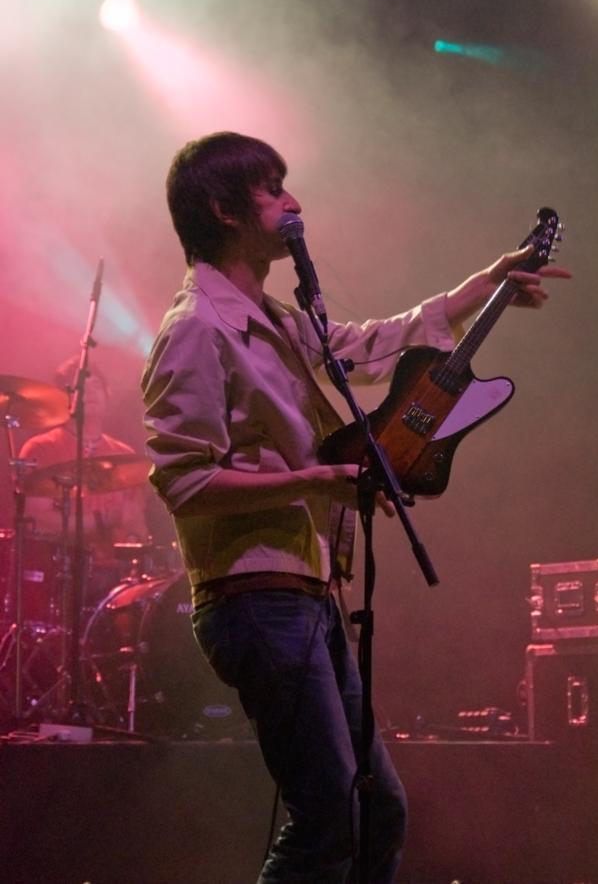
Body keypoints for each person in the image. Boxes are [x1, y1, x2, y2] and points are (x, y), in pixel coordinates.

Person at [141, 132, 570, 883]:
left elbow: (366, 347)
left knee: (375, 814)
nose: (293, 203)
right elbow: (183, 482)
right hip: (253, 596)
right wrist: (316, 481)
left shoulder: (273, 317)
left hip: (303, 593)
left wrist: (485, 286)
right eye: (273, 190)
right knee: (329, 819)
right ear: (222, 207)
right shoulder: (196, 329)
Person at [19, 357, 149, 601]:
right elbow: (36, 522)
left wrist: (135, 540)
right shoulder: (41, 448)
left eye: (96, 385)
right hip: (59, 578)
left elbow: (137, 525)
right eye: (81, 387)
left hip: (116, 582)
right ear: (63, 398)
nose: (91, 393)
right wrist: (102, 520)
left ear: (108, 394)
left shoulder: (124, 455)